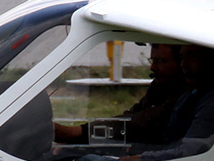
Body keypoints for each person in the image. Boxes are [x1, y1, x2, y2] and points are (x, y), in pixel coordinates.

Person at [54, 43, 184, 146]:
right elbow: (131, 116)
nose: (153, 68)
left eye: (161, 61)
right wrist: (79, 140)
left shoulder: (186, 94)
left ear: (182, 64)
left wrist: (79, 132)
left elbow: (143, 122)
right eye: (153, 61)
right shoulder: (160, 86)